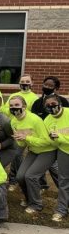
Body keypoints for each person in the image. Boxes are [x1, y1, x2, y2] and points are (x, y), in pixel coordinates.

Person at [10, 96, 57, 213]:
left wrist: (27, 138)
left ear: (24, 106)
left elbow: (47, 141)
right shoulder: (13, 121)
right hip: (34, 151)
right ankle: (29, 199)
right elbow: (21, 143)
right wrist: (19, 139)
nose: (14, 108)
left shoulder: (35, 120)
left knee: (31, 176)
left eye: (17, 105)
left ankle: (37, 205)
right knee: (20, 177)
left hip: (47, 151)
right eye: (11, 106)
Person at [43, 94, 69, 222]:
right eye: (47, 105)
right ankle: (62, 209)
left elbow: (59, 138)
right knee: (64, 181)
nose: (51, 107)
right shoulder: (47, 121)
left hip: (65, 146)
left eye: (53, 103)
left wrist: (60, 137)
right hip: (64, 152)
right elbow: (52, 142)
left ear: (60, 103)